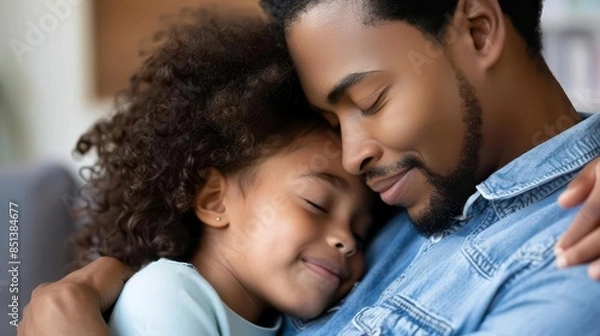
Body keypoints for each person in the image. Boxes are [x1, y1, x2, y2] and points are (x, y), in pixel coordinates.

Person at [17, 1, 600, 335]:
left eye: (371, 101)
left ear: (478, 28)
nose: (352, 156)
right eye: (333, 119)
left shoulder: (574, 254)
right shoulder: (401, 190)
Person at [41, 12, 374, 336]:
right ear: (215, 200)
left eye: (361, 235)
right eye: (316, 203)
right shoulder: (170, 294)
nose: (345, 242)